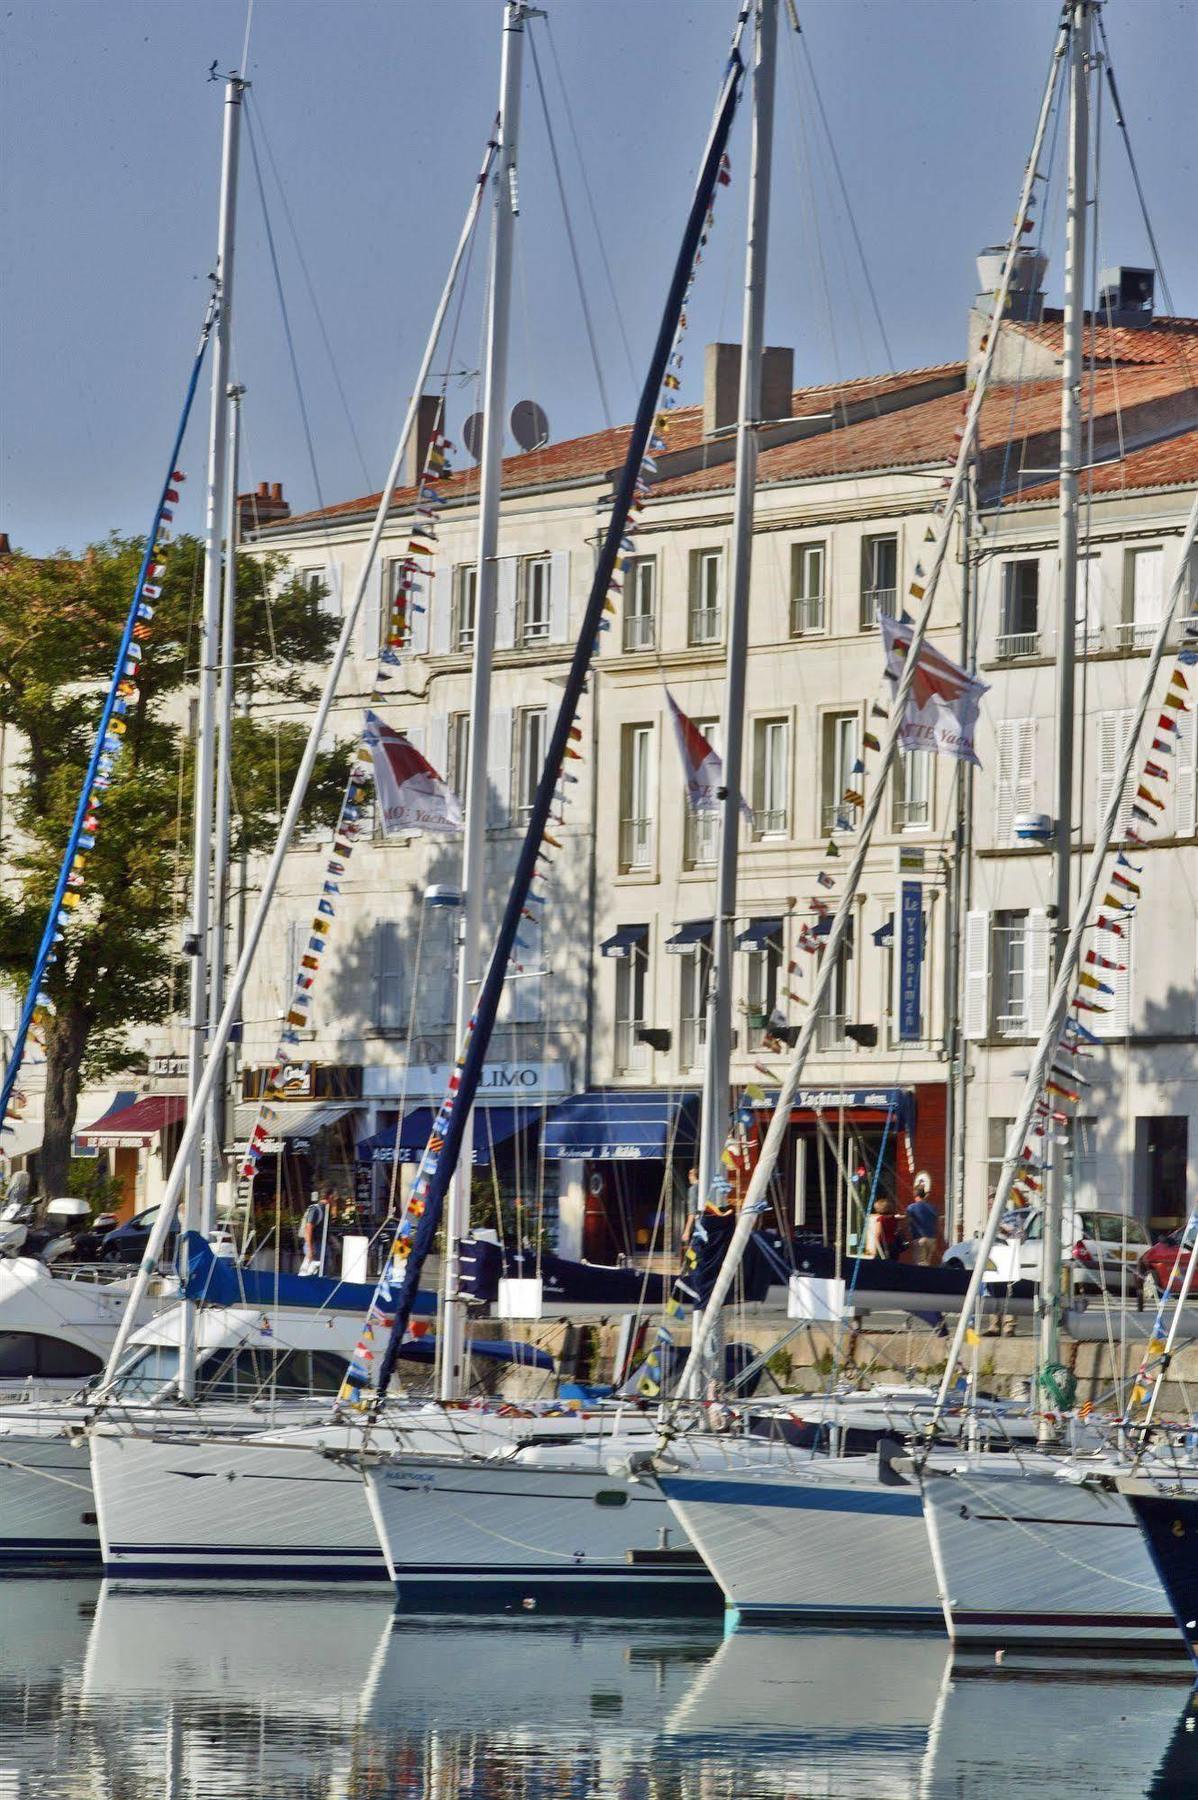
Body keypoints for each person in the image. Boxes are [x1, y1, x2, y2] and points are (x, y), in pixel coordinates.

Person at [905, 1174, 940, 1266]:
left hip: (920, 1239)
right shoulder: (933, 1207)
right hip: (932, 1239)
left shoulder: (911, 1208)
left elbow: (908, 1222)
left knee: (920, 1264)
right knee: (927, 1264)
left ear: (915, 1194)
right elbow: (937, 1221)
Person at [299, 1189, 334, 1276]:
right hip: (315, 1245)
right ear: (330, 1197)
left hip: (322, 1245)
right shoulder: (316, 1209)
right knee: (311, 1273)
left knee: (323, 1273)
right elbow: (308, 1229)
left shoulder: (326, 1210)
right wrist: (310, 1250)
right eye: (334, 1198)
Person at [866, 1194, 901, 1259]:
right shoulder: (893, 1218)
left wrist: (875, 1249)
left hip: (884, 1246)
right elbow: (897, 1230)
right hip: (893, 1245)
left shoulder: (880, 1219)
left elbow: (878, 1234)